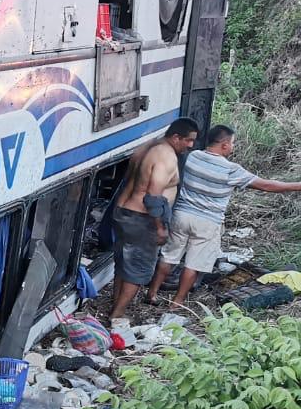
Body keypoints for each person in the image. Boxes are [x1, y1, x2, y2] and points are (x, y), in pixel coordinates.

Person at [148, 124, 301, 305]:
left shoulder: (193, 157)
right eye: (233, 143)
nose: (233, 147)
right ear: (225, 144)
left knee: (169, 256)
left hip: (181, 215)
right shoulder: (231, 170)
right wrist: (297, 186)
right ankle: (177, 303)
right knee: (193, 265)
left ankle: (152, 294)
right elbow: (268, 185)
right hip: (208, 222)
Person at [110, 117, 199, 320]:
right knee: (138, 269)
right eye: (188, 140)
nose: (190, 145)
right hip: (142, 219)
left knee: (124, 264)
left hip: (123, 212)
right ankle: (117, 315)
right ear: (176, 137)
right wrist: (160, 227)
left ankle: (115, 307)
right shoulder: (166, 157)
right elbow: (153, 196)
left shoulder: (148, 146)